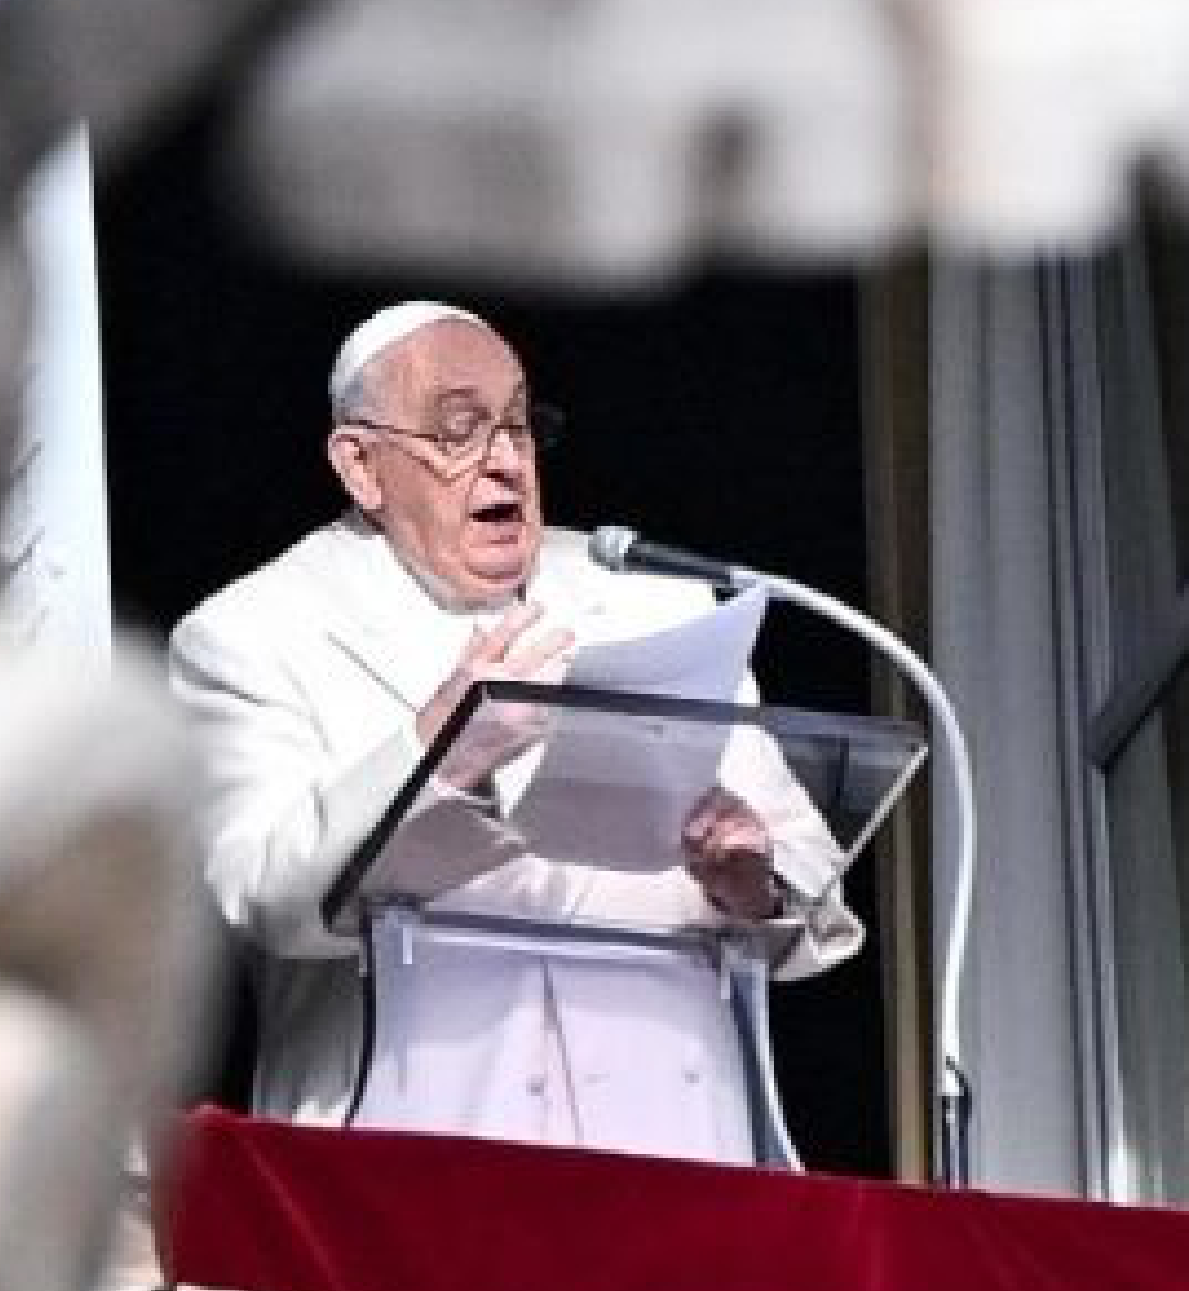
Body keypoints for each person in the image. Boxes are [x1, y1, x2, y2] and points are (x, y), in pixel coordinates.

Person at [166, 301, 862, 1161]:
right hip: (410, 1164)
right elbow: (263, 896)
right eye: (459, 431)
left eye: (518, 427)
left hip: (675, 1157)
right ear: (360, 465)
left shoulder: (655, 603)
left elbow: (810, 878)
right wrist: (439, 755)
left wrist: (751, 885)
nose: (505, 461)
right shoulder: (253, 633)